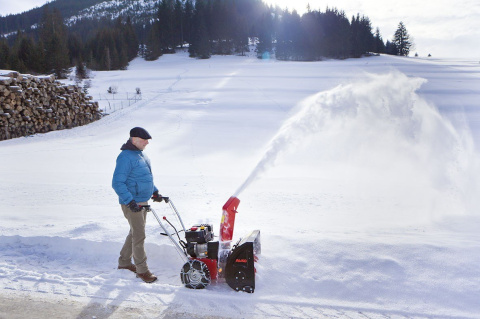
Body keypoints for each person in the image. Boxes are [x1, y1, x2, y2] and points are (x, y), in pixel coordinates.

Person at [112, 127, 165, 283]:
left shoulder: (141, 155)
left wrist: (154, 192)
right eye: (144, 140)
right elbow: (117, 183)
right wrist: (130, 201)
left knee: (135, 233)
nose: (147, 143)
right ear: (134, 139)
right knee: (139, 235)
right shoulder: (125, 157)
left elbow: (144, 178)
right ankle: (142, 271)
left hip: (142, 201)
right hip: (132, 202)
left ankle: (124, 262)